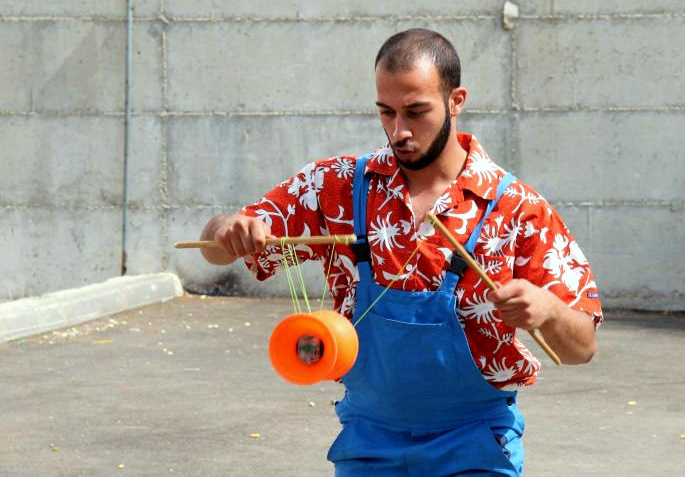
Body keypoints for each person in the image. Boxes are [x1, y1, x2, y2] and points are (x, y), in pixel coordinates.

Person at [199, 28, 602, 476]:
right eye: (386, 112)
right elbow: (215, 247)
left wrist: (548, 310)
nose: (399, 131)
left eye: (416, 111)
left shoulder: (517, 210)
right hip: (368, 441)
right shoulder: (336, 188)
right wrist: (228, 229)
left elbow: (581, 348)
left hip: (475, 444)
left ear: (456, 100)